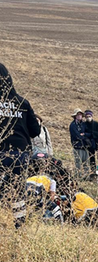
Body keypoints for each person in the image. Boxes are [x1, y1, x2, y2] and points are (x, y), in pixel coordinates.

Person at [0, 63, 41, 227]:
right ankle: (20, 227)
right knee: (17, 195)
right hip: (22, 155)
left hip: (2, 152)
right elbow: (35, 130)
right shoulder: (23, 102)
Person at [69, 108, 91, 178]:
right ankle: (77, 176)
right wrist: (83, 136)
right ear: (75, 116)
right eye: (77, 115)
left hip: (85, 146)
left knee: (86, 163)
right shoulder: (73, 125)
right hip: (77, 146)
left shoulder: (84, 124)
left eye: (80, 114)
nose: (79, 116)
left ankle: (87, 176)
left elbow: (89, 133)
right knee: (78, 163)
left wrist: (84, 134)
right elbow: (76, 135)